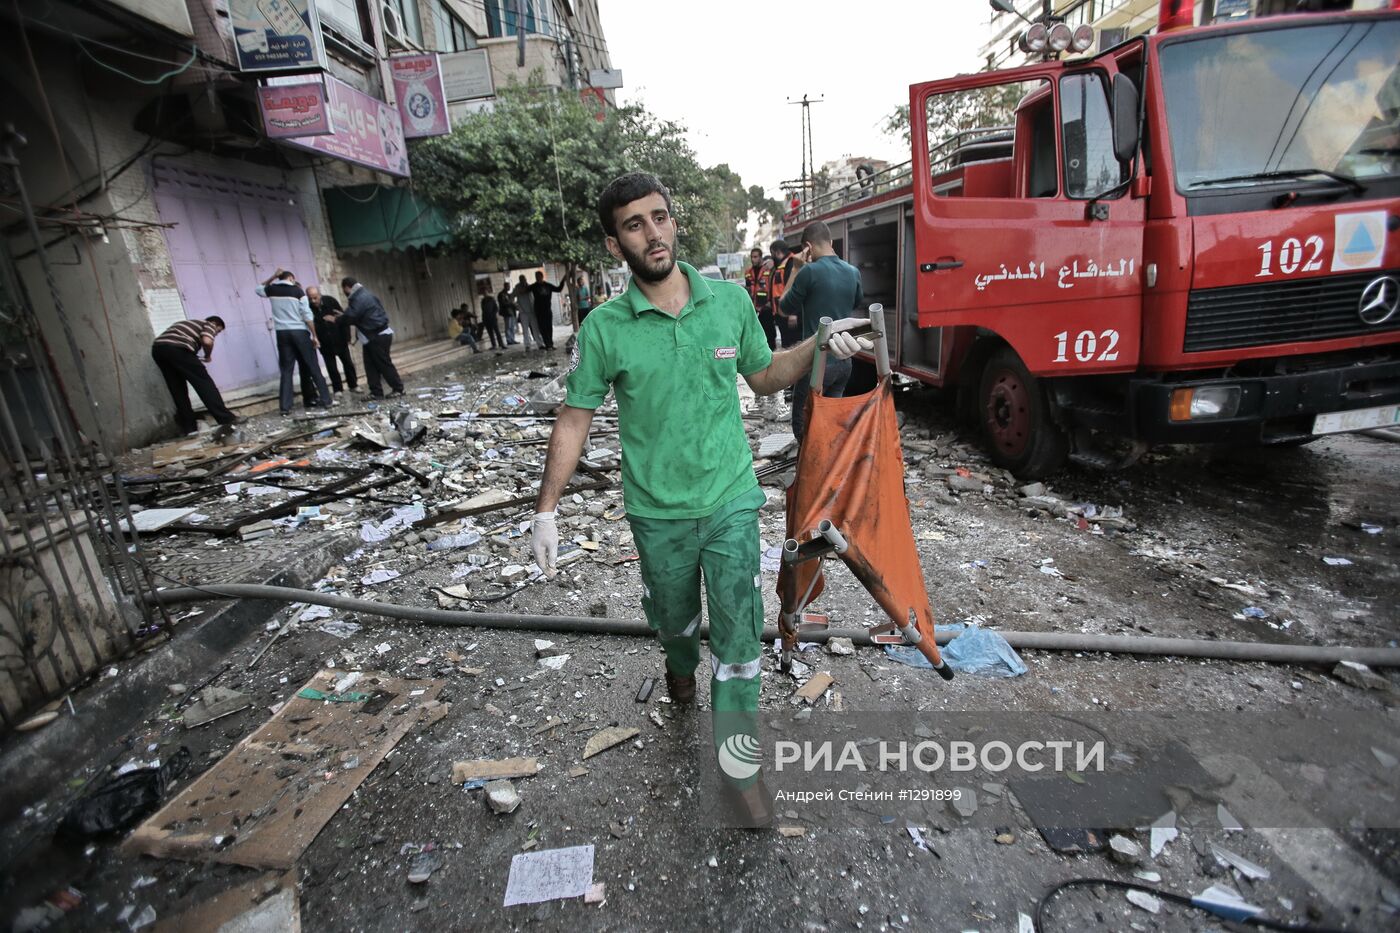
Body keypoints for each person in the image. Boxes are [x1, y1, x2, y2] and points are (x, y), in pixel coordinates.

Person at [529, 172, 869, 827]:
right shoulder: (603, 329)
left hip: (730, 498)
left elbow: (765, 375)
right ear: (614, 242)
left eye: (659, 217)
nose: (652, 232)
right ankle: (678, 663)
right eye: (634, 224)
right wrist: (546, 509)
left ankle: (740, 771)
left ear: (672, 222)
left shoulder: (729, 303)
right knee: (676, 619)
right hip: (657, 513)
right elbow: (574, 417)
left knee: (740, 634)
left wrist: (818, 345)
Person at [780, 222, 865, 440]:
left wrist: (797, 268)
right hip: (844, 362)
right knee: (832, 421)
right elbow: (857, 301)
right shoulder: (853, 272)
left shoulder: (808, 272)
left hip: (815, 364)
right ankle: (830, 465)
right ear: (831, 242)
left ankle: (812, 469)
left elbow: (783, 307)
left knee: (803, 426)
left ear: (807, 246)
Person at [256, 270, 330, 416]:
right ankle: (326, 399)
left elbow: (258, 289)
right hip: (299, 332)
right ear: (291, 278)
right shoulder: (298, 291)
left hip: (282, 333)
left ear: (280, 278)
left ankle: (285, 407)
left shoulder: (272, 289)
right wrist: (314, 335)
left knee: (286, 370)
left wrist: (273, 276)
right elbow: (307, 315)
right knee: (313, 366)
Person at [150, 316, 238, 437]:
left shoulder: (185, 324)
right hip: (178, 349)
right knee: (204, 383)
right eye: (218, 331)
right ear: (215, 323)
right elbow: (207, 341)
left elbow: (171, 340)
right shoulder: (209, 324)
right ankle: (226, 419)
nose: (215, 334)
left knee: (177, 389)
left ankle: (190, 428)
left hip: (158, 349)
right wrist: (208, 355)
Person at [336, 276, 404, 399]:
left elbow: (352, 316)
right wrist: (344, 316)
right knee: (370, 365)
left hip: (376, 335)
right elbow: (358, 314)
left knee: (383, 364)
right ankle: (376, 392)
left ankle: (398, 388)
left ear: (347, 287)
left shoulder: (358, 297)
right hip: (372, 336)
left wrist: (337, 319)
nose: (344, 293)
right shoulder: (365, 294)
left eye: (344, 290)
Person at [308, 285, 357, 396]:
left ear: (319, 295)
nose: (313, 300)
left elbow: (343, 318)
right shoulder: (308, 307)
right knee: (332, 367)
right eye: (310, 298)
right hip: (325, 343)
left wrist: (347, 337)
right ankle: (337, 389)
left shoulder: (330, 301)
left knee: (348, 363)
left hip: (339, 339)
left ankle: (353, 385)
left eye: (315, 297)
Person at [769, 239, 803, 349]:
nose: (771, 257)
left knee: (793, 345)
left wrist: (794, 313)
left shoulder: (792, 263)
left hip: (789, 314)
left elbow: (796, 289)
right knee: (786, 344)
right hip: (782, 314)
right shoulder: (780, 265)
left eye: (772, 254)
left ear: (777, 252)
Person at [743, 247, 776, 350]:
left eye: (756, 257)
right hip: (754, 309)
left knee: (770, 335)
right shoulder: (748, 272)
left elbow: (772, 287)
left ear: (761, 257)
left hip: (766, 308)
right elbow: (749, 289)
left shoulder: (768, 269)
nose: (753, 259)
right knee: (756, 336)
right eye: (752, 257)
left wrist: (770, 302)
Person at [529, 270, 565, 350]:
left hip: (547, 309)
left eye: (539, 276)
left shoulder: (547, 285)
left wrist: (563, 280)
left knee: (549, 327)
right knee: (542, 328)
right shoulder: (534, 286)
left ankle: (550, 344)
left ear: (542, 277)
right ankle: (547, 344)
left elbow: (558, 289)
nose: (538, 278)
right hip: (539, 310)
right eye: (536, 277)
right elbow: (525, 290)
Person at [513, 274, 541, 351]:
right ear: (520, 280)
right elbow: (512, 297)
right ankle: (527, 345)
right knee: (525, 329)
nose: (523, 281)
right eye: (522, 279)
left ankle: (540, 343)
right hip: (523, 312)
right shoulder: (517, 288)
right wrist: (517, 306)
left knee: (535, 328)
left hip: (532, 310)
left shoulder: (529, 286)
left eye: (524, 279)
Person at [480, 286, 503, 351]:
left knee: (497, 331)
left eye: (485, 292)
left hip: (492, 318)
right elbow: (483, 310)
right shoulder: (483, 301)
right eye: (483, 293)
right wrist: (484, 319)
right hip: (486, 318)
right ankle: (494, 345)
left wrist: (493, 314)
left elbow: (496, 308)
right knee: (490, 333)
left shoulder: (491, 299)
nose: (484, 294)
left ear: (487, 292)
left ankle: (501, 344)